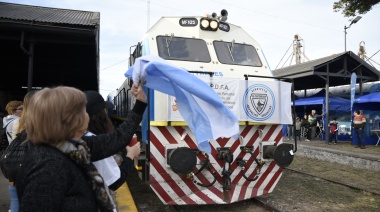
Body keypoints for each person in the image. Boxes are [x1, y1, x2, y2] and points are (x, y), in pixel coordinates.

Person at [16, 85, 147, 211]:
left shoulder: (74, 147)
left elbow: (117, 138)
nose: (87, 115)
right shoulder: (47, 167)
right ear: (69, 119)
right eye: (82, 110)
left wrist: (140, 103)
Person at [84, 90, 141, 211]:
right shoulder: (91, 142)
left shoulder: (78, 138)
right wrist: (130, 156)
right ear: (100, 117)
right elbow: (115, 182)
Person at [3, 100, 23, 212]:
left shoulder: (8, 121)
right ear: (14, 111)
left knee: (14, 192)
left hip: (12, 159)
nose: (24, 111)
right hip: (19, 159)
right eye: (21, 109)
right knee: (16, 194)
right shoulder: (18, 122)